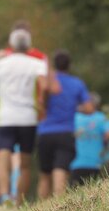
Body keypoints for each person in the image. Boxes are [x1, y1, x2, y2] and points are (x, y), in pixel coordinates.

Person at [0, 28, 47, 206]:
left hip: (5, 118)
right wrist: (41, 103)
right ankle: (19, 201)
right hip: (28, 118)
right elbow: (45, 86)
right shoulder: (37, 64)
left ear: (10, 45)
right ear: (29, 46)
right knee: (24, 164)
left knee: (3, 159)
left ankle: (4, 197)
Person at [36, 50, 93, 200]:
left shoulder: (46, 82)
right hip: (66, 132)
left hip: (44, 133)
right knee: (60, 170)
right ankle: (58, 205)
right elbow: (89, 109)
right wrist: (75, 107)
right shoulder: (77, 84)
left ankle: (40, 210)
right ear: (70, 65)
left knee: (44, 174)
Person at [71, 93, 109, 186]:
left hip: (80, 164)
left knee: (75, 195)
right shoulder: (101, 117)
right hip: (95, 163)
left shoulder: (75, 117)